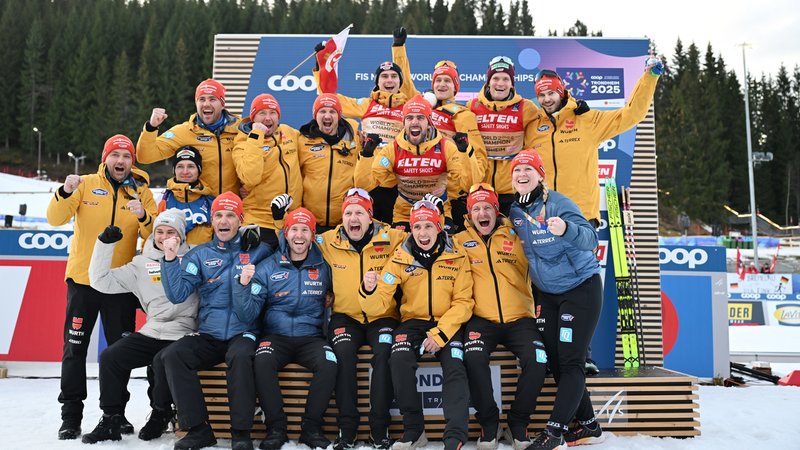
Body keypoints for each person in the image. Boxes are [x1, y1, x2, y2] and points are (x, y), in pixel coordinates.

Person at [47, 134, 157, 440]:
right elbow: (55, 218)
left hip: (119, 286)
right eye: (115, 155)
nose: (121, 161)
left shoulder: (142, 192)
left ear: (132, 162)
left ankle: (116, 413)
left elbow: (154, 235)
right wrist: (65, 191)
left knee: (119, 352)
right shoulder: (84, 183)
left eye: (126, 156)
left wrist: (143, 215)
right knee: (74, 350)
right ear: (104, 158)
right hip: (83, 282)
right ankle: (70, 416)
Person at [157, 192, 273, 450]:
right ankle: (198, 429)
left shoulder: (259, 251)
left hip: (245, 331)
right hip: (209, 333)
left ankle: (241, 433)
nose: (224, 220)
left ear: (240, 220)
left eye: (230, 215)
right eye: (219, 215)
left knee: (241, 357)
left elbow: (287, 251)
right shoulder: (199, 255)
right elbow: (177, 294)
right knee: (173, 355)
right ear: (212, 221)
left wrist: (265, 231)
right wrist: (169, 259)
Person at [508, 151, 605, 449]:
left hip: (580, 289)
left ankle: (555, 430)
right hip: (548, 295)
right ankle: (589, 425)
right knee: (557, 362)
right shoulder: (513, 210)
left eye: (528, 169)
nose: (522, 174)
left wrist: (567, 229)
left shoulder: (559, 204)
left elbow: (591, 239)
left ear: (541, 175)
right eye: (517, 170)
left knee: (572, 360)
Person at [360, 199, 474, 450]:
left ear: (439, 227)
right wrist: (368, 290)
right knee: (397, 359)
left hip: (448, 322)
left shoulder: (457, 254)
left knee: (455, 365)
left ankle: (454, 436)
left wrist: (440, 334)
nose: (423, 233)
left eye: (428, 226)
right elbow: (378, 304)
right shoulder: (400, 257)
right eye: (417, 227)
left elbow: (464, 302)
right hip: (412, 322)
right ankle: (414, 430)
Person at [84, 209, 199, 444]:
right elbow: (101, 282)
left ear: (182, 236)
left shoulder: (195, 259)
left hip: (184, 331)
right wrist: (105, 245)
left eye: (171, 232)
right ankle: (111, 418)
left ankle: (160, 413)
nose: (164, 237)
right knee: (111, 357)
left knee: (161, 360)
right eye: (160, 232)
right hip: (153, 329)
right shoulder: (140, 264)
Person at [235, 207, 336, 450]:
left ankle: (311, 428)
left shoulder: (325, 266)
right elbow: (248, 313)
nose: (299, 235)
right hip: (275, 337)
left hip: (310, 337)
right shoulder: (268, 266)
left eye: (305, 230)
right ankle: (276, 428)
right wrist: (243, 285)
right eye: (294, 229)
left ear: (312, 235)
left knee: (330, 362)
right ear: (286, 233)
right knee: (262, 360)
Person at [455, 184, 546, 450]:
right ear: (470, 214)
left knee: (538, 359)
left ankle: (518, 422)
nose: (482, 213)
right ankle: (489, 423)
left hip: (520, 318)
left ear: (496, 210)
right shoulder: (460, 241)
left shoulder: (518, 235)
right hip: (481, 319)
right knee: (472, 356)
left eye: (487, 207)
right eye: (476, 208)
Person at [316, 188, 407, 450]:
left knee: (384, 354)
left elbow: (424, 236)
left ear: (370, 217)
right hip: (346, 316)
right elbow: (295, 238)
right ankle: (347, 428)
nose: (352, 218)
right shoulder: (327, 240)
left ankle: (379, 427)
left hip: (382, 315)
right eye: (347, 212)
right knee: (342, 355)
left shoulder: (391, 236)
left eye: (359, 212)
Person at [530, 58, 664, 224]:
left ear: (561, 92)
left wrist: (649, 78)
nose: (547, 99)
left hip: (580, 216)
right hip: (544, 219)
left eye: (551, 93)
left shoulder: (587, 120)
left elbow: (632, 114)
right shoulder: (533, 127)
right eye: (541, 95)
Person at [391, 27, 488, 232]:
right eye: (438, 80)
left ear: (456, 87)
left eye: (447, 80)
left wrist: (469, 184)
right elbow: (405, 83)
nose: (442, 84)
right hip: (412, 187)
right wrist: (398, 47)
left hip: (446, 194)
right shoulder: (421, 106)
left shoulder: (462, 115)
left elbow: (477, 156)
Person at [314, 42, 412, 224]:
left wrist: (398, 47)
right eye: (384, 77)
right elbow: (328, 97)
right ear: (377, 82)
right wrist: (321, 65)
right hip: (370, 177)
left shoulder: (408, 107)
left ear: (400, 81)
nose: (389, 80)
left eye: (393, 76)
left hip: (397, 177)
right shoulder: (367, 104)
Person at [355, 94, 472, 230]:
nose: (414, 122)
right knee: (401, 249)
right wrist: (366, 156)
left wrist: (465, 153)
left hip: (439, 211)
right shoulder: (393, 149)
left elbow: (467, 184)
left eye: (420, 118)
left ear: (429, 123)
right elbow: (364, 185)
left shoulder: (446, 147)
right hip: (405, 214)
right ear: (403, 123)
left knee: (444, 248)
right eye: (409, 118)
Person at [137, 79, 242, 196]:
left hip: (231, 209)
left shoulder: (241, 130)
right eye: (201, 99)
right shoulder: (184, 131)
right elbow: (145, 156)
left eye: (212, 99)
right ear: (196, 103)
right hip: (198, 207)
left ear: (222, 104)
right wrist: (151, 127)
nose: (206, 104)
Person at [467, 56, 541, 214]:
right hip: (481, 188)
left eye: (506, 79)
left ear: (512, 83)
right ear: (488, 81)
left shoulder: (526, 108)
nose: (500, 83)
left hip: (512, 190)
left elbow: (550, 122)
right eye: (495, 78)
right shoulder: (472, 106)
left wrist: (572, 105)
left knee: (512, 237)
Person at [232, 93, 303, 249]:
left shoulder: (288, 132)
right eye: (262, 113)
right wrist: (257, 135)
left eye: (272, 113)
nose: (268, 118)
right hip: (260, 222)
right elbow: (250, 177)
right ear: (253, 118)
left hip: (290, 221)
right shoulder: (243, 142)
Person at [297, 93, 362, 232]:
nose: (327, 116)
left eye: (332, 111)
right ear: (315, 115)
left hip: (345, 222)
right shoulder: (302, 141)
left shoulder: (355, 140)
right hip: (311, 222)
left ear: (339, 115)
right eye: (322, 111)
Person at [157, 146, 215, 244]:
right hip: (170, 257)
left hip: (202, 258)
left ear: (199, 170)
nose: (185, 172)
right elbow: (151, 237)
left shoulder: (211, 202)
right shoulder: (162, 199)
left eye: (190, 166)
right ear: (174, 170)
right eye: (180, 166)